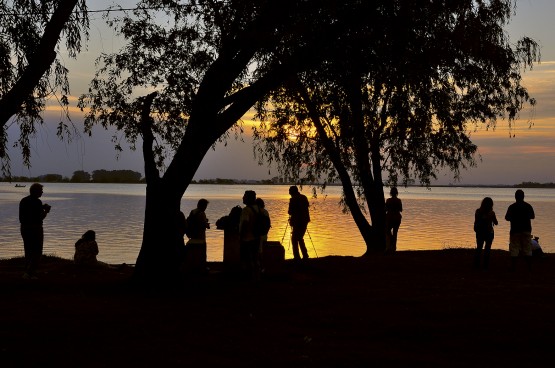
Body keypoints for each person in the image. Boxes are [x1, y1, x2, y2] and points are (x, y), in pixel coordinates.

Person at [19, 183, 51, 279]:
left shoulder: (24, 200)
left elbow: (29, 213)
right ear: (36, 191)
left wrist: (41, 208)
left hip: (24, 228)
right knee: (37, 251)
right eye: (41, 190)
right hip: (35, 228)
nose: (42, 192)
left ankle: (27, 272)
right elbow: (39, 217)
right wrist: (46, 211)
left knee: (28, 250)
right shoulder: (37, 202)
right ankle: (31, 273)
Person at [505, 189, 535, 271]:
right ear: (523, 197)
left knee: (514, 249)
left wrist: (514, 218)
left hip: (515, 230)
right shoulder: (528, 206)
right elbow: (532, 216)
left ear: (515, 197)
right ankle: (529, 267)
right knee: (527, 248)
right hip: (526, 230)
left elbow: (507, 218)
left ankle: (513, 267)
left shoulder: (512, 207)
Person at [239, 190, 261, 279]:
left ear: (248, 198)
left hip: (247, 238)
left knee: (247, 258)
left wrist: (241, 236)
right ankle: (256, 276)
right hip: (256, 237)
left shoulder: (246, 210)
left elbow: (245, 223)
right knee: (255, 257)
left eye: (244, 196)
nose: (243, 198)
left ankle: (249, 277)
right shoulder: (257, 208)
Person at [473, 197, 498, 269]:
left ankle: (476, 265)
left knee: (479, 248)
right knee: (487, 248)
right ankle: (485, 265)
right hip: (489, 233)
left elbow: (476, 220)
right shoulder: (491, 213)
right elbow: (496, 223)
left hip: (480, 232)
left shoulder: (478, 211)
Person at [185, 199, 210, 273]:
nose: (206, 207)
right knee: (202, 251)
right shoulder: (202, 213)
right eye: (205, 206)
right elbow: (202, 224)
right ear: (203, 205)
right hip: (200, 235)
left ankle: (194, 266)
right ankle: (202, 267)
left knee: (194, 253)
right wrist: (207, 225)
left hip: (192, 235)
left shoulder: (193, 211)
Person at [288, 185, 310, 261]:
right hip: (305, 220)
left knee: (294, 239)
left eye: (290, 191)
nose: (289, 193)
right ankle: (305, 255)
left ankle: (297, 257)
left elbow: (290, 212)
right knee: (300, 237)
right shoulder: (304, 197)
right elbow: (307, 206)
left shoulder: (293, 199)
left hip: (297, 221)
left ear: (292, 192)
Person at [384, 187, 403, 254]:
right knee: (395, 232)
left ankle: (390, 245)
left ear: (391, 193)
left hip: (390, 217)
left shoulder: (388, 200)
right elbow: (401, 209)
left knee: (387, 231)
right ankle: (393, 247)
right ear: (396, 193)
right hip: (397, 218)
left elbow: (385, 209)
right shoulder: (399, 200)